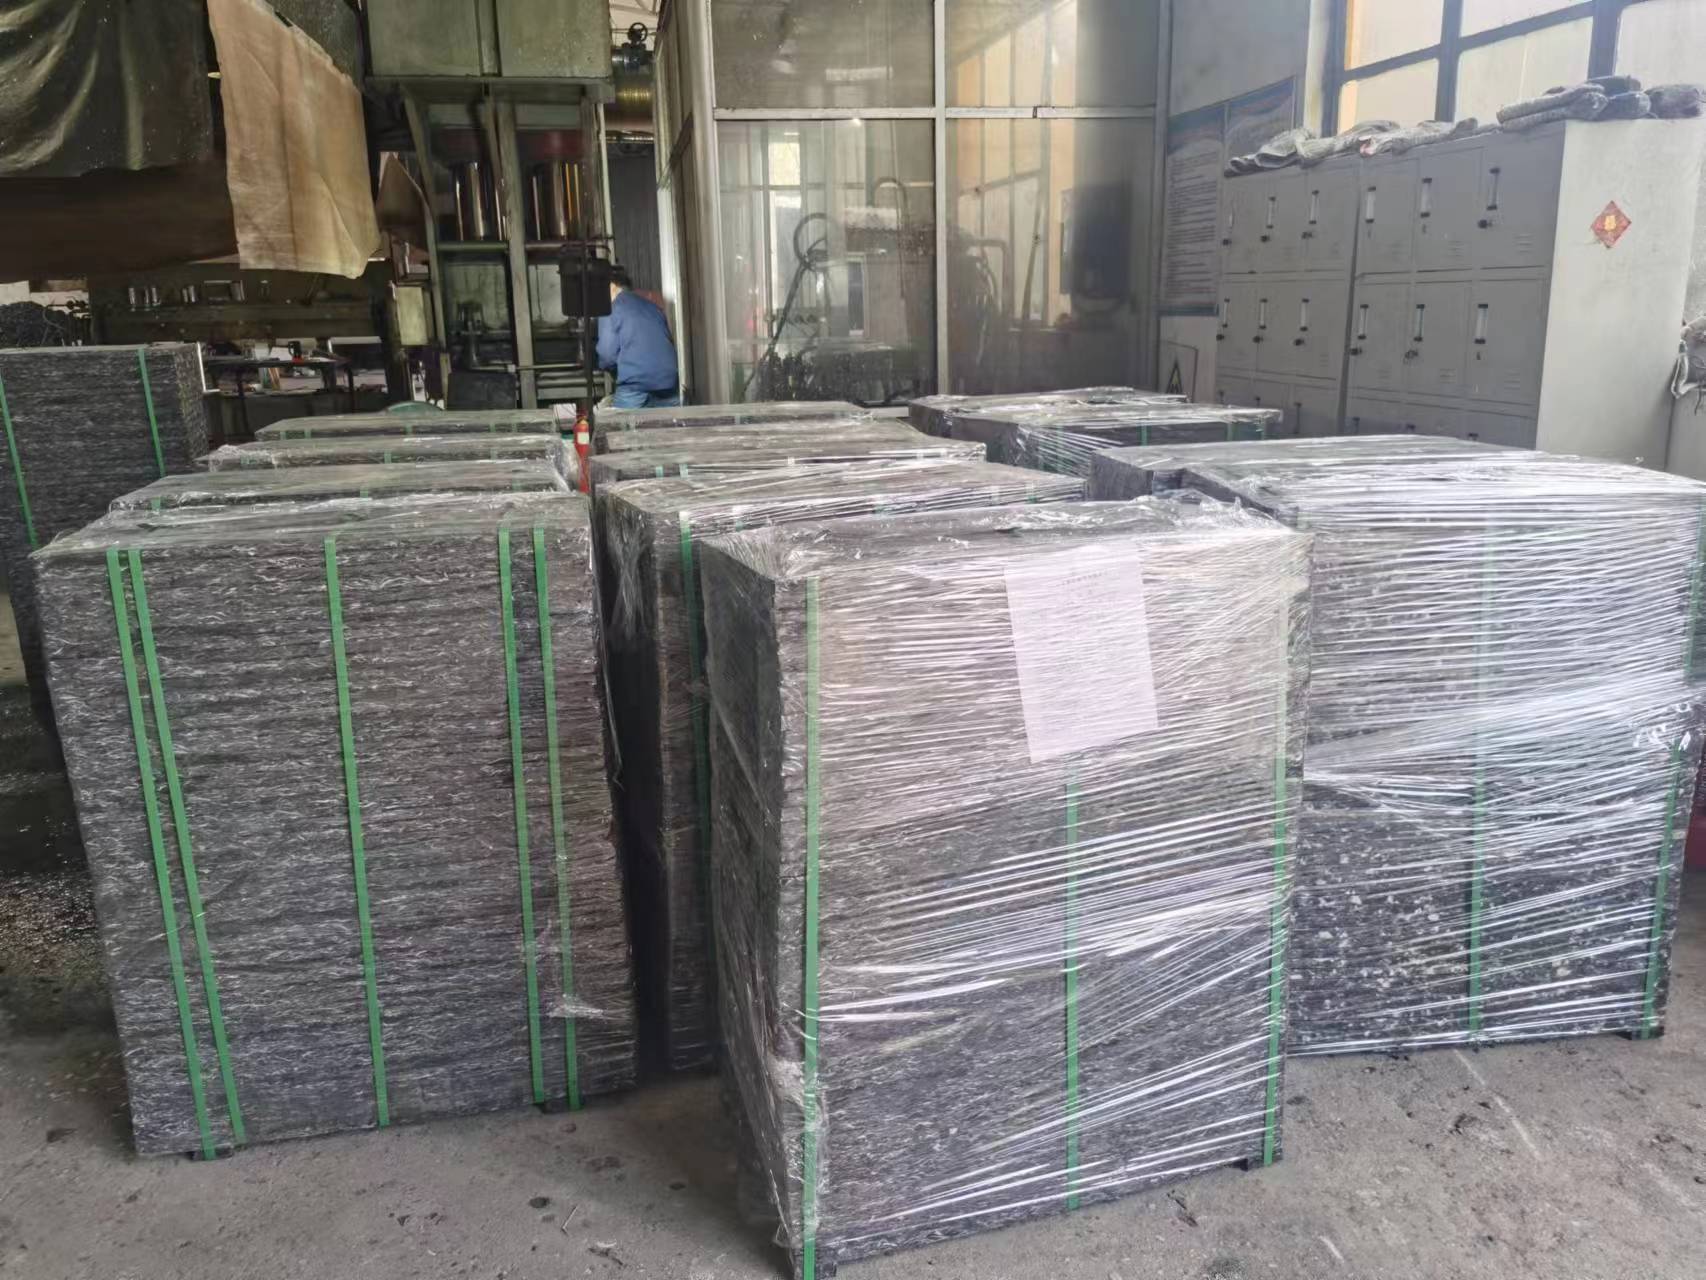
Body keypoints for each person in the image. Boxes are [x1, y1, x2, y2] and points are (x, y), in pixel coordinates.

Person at [596, 266, 680, 408]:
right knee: (667, 421)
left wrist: (611, 369)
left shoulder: (610, 309)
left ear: (612, 286)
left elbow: (606, 354)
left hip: (636, 386)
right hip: (668, 383)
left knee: (614, 421)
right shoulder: (652, 307)